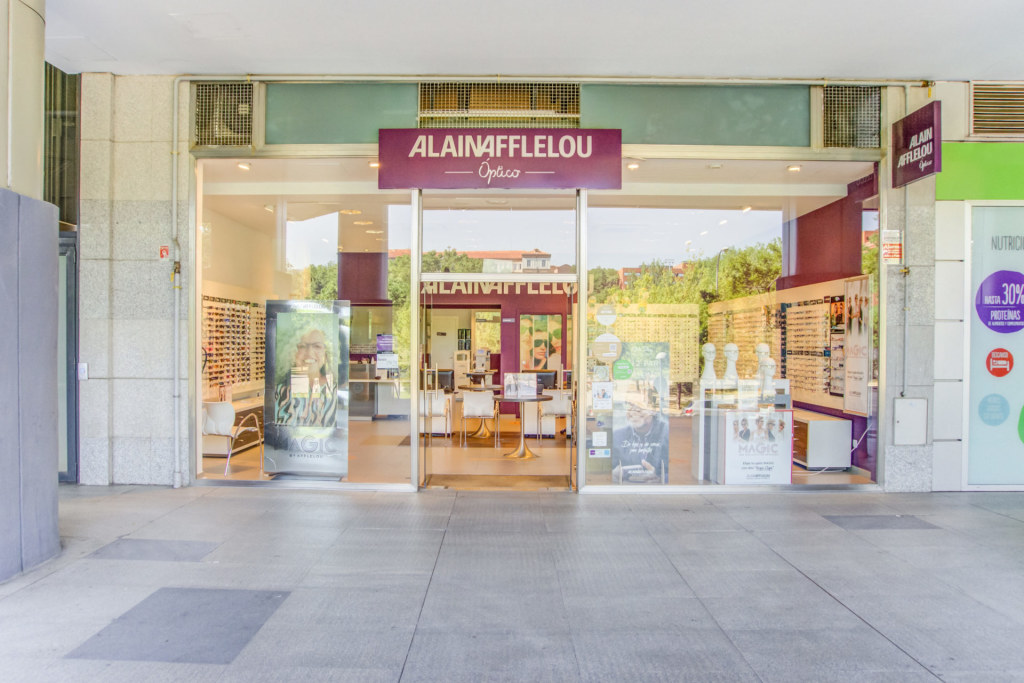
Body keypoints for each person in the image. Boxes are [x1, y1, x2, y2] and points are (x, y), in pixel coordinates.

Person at [274, 327, 338, 427]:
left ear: (326, 355)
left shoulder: (336, 392)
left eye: (317, 346)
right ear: (292, 353)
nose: (309, 352)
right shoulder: (279, 391)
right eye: (302, 346)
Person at [611, 401, 669, 483]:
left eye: (641, 404)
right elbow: (605, 471)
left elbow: (681, 472)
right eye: (629, 405)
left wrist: (661, 479)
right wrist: (612, 476)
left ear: (654, 409)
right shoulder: (617, 436)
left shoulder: (669, 434)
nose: (634, 411)